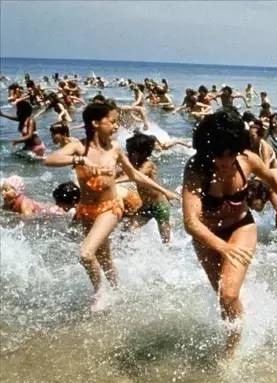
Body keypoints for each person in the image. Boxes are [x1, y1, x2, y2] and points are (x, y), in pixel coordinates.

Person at [182, 110, 277, 354]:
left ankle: (231, 352)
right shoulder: (197, 168)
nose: (225, 162)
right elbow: (191, 222)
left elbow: (273, 180)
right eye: (218, 156)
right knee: (223, 296)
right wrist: (222, 247)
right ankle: (236, 330)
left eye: (230, 155)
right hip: (207, 236)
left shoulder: (248, 159)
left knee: (228, 294)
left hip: (240, 226)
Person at [43, 103, 179, 311]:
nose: (117, 126)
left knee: (85, 254)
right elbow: (50, 160)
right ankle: (117, 290)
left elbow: (135, 175)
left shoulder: (115, 148)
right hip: (87, 209)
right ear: (95, 123)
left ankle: (100, 294)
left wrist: (164, 190)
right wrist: (81, 160)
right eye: (113, 121)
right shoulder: (79, 147)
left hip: (110, 207)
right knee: (104, 259)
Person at [125, 132, 173, 243]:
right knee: (130, 228)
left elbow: (136, 176)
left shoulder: (148, 165)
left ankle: (169, 250)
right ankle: (127, 248)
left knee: (165, 239)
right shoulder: (134, 164)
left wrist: (115, 181)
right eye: (129, 152)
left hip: (160, 205)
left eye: (132, 153)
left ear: (144, 153)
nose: (129, 155)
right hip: (147, 206)